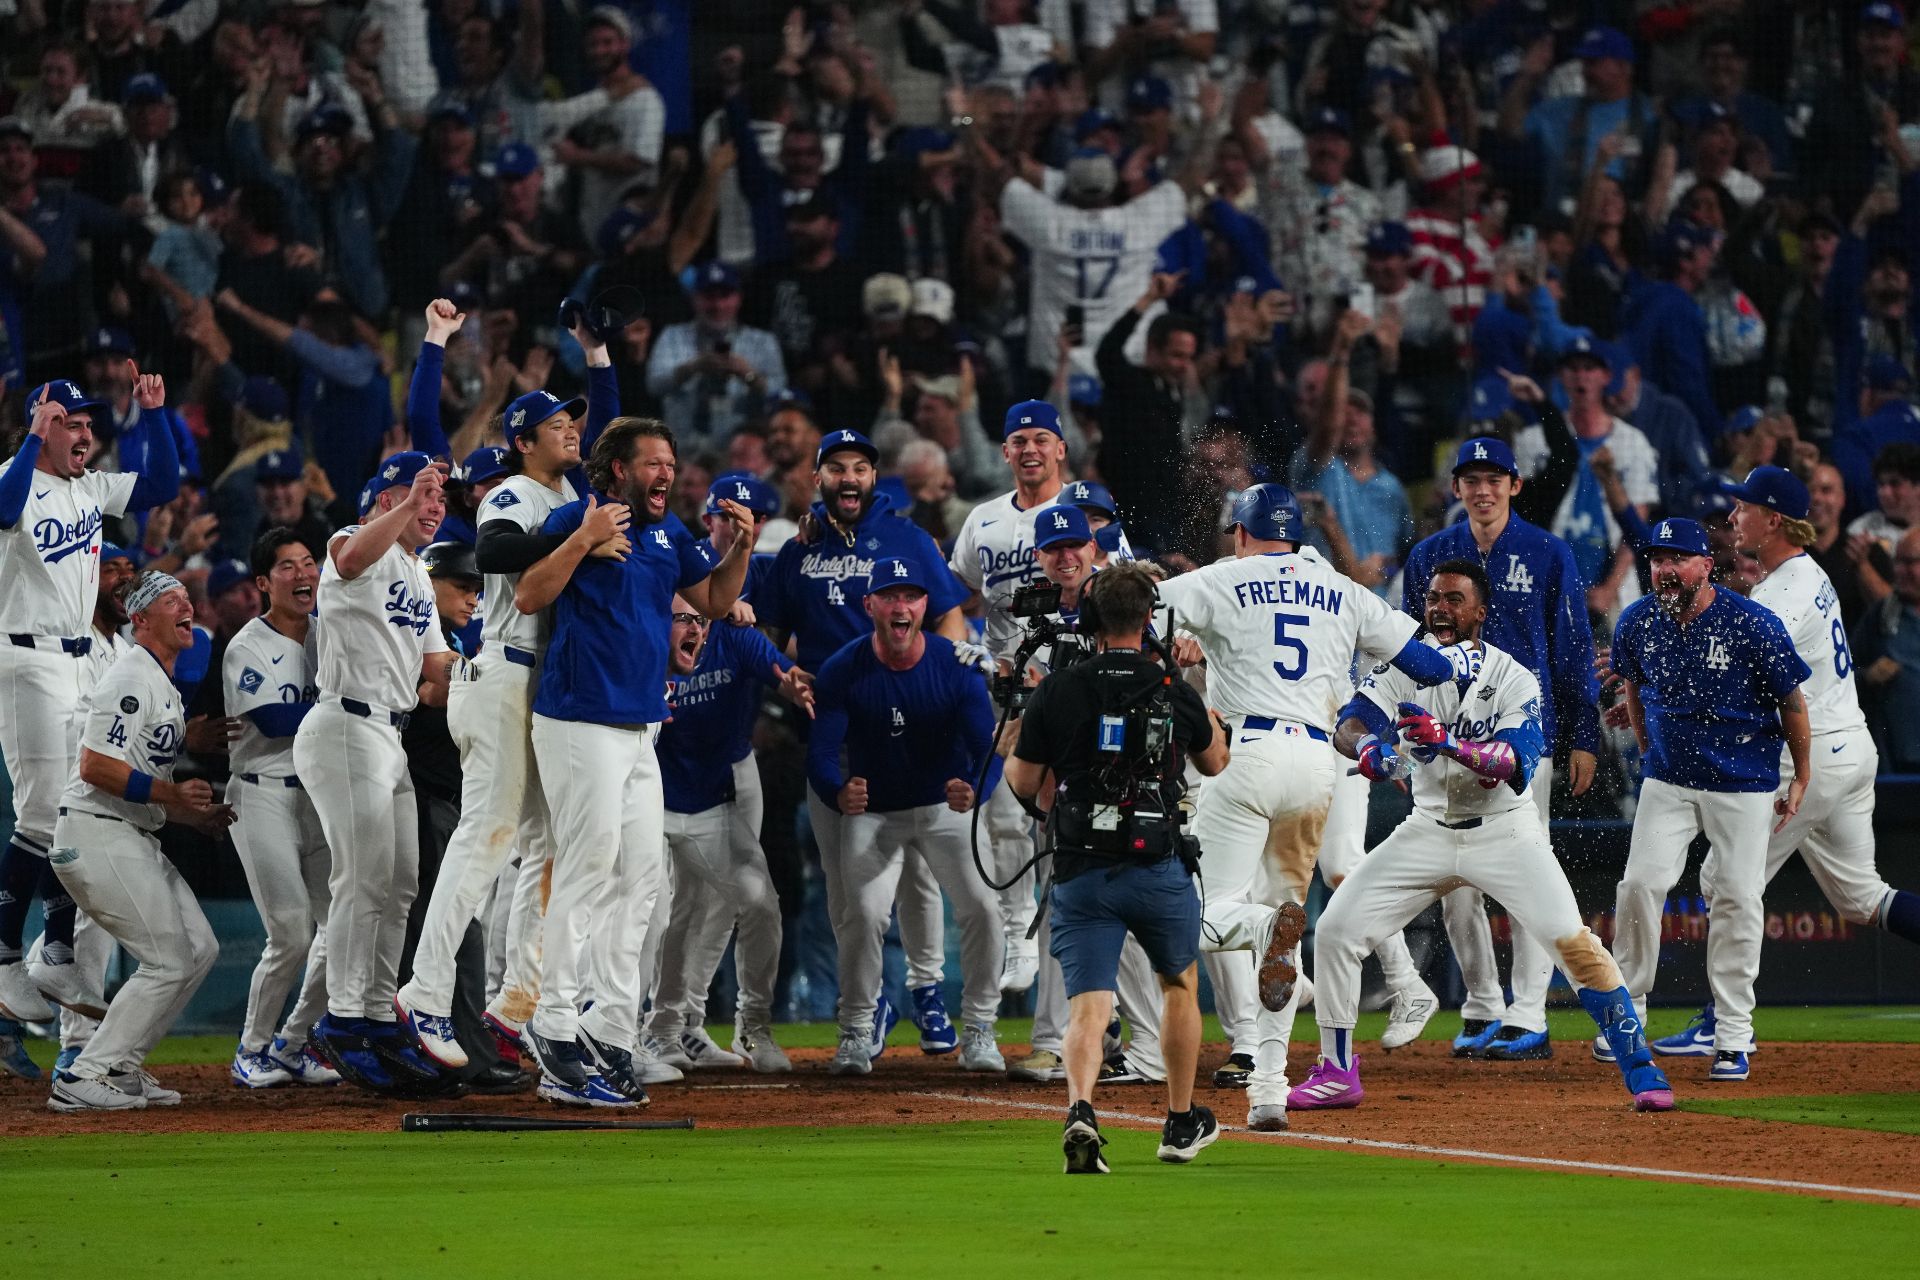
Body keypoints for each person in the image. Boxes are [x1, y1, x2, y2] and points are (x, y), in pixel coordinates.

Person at [1302, 560, 1676, 1114]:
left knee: (1572, 942)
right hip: (1427, 829)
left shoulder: (1514, 676)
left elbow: (1512, 760)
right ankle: (1337, 1072)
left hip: (1505, 831)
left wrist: (1449, 744)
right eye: (1433, 598)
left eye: (1454, 600)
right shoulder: (1404, 665)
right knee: (1335, 931)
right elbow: (1350, 721)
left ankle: (1640, 1067)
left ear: (1480, 612)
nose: (1440, 608)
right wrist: (1367, 748)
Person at [1154, 483, 1465, 1130]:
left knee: (1201, 915)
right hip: (1317, 762)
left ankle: (1267, 937)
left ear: (1242, 533)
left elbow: (1131, 617)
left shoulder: (1221, 577)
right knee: (1283, 918)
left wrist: (1175, 637)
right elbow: (1432, 666)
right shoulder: (1341, 588)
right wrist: (1371, 703)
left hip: (1246, 754)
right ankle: (1269, 1091)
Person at [394, 300, 617, 1076]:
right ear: (523, 441)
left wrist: (597, 356)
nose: (571, 430)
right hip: (503, 675)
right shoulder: (515, 493)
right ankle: (425, 992)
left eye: (571, 421)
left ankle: (516, 1004)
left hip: (541, 685)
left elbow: (609, 436)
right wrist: (575, 537)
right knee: (486, 835)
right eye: (556, 424)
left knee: (548, 846)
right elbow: (492, 551)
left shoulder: (566, 493)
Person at [514, 417, 752, 1107]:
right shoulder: (578, 516)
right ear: (619, 469)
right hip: (580, 718)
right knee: (586, 870)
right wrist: (582, 541)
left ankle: (610, 1028)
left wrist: (738, 547)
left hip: (640, 726)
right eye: (654, 462)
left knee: (644, 882)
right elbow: (529, 594)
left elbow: (714, 601)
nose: (667, 473)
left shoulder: (669, 530)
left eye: (671, 462)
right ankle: (553, 1025)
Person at [1651, 470, 1920, 1055]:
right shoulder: (1802, 574)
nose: (1732, 518)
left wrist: (1659, 693)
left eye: (1743, 507)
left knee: (1723, 879)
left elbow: (1746, 681)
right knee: (1862, 898)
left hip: (1812, 758)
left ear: (1773, 520)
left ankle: (1723, 1026)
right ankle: (1720, 1020)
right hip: (1850, 749)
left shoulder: (1784, 593)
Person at [1006, 561, 1231, 1172]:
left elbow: (1021, 781)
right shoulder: (1171, 688)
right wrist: (1203, 709)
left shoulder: (1058, 689)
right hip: (1157, 865)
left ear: (1089, 620)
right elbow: (1215, 762)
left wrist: (1044, 784)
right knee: (1178, 986)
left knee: (1089, 1006)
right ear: (1149, 618)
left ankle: (1081, 1109)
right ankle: (1179, 1121)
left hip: (1082, 868)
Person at [757, 428, 971, 1054]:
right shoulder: (799, 550)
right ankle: (869, 999)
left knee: (919, 873)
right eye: (837, 468)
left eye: (859, 467)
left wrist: (945, 683)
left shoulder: (909, 538)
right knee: (843, 879)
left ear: (874, 477)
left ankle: (927, 989)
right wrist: (783, 674)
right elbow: (769, 635)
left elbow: (949, 615)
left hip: (911, 730)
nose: (848, 478)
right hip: (832, 733)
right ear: (818, 479)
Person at [1401, 437, 1601, 1061]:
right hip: (1443, 734)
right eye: (1471, 479)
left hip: (1522, 733)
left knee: (1525, 871)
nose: (1482, 490)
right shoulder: (1430, 555)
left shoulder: (1547, 551)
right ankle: (1482, 1003)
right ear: (1456, 488)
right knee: (1453, 877)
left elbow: (1572, 650)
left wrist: (1584, 736)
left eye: (1494, 479)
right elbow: (1407, 649)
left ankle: (1529, 1011)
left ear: (1515, 485)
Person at [1601, 518, 1811, 1084]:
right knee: (1639, 885)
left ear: (1705, 566)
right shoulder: (1637, 619)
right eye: (1657, 560)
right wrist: (1648, 750)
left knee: (1738, 897)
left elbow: (1792, 702)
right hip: (1669, 779)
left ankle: (1733, 1035)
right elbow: (1634, 687)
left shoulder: (1751, 622)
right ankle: (1628, 1013)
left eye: (1677, 559)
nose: (1665, 569)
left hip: (1744, 780)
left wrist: (1801, 775)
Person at [0, 374, 180, 1030]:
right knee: (42, 810)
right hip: (26, 654)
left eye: (86, 424)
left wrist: (154, 415)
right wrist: (30, 437)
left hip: (79, 660)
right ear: (41, 426)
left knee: (74, 805)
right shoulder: (14, 476)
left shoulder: (90, 487)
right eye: (69, 423)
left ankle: (55, 952)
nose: (84, 434)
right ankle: (5, 957)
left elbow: (162, 483)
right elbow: (3, 511)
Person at [294, 452, 456, 1096]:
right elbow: (349, 559)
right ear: (386, 500)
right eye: (423, 492)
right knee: (360, 881)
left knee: (400, 884)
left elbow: (438, 673)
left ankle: (378, 1017)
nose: (435, 504)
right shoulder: (353, 540)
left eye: (439, 496)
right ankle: (341, 1021)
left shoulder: (419, 573)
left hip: (391, 733)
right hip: (345, 723)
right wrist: (407, 502)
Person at [807, 556, 1006, 1078]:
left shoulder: (954, 665)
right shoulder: (843, 668)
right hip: (875, 811)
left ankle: (980, 1028)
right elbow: (820, 752)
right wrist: (835, 791)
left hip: (943, 805)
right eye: (890, 596)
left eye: (911, 596)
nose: (901, 606)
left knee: (985, 907)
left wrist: (977, 790)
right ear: (869, 605)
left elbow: (987, 749)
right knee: (862, 913)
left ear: (925, 606)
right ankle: (856, 1029)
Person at [44, 571, 235, 1112]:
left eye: (187, 598)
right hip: (95, 830)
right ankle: (84, 1073)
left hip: (129, 832)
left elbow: (137, 778)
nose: (187, 606)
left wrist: (191, 816)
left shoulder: (160, 682)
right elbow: (95, 767)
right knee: (168, 960)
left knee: (200, 949)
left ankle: (120, 1066)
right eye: (171, 600)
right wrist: (173, 794)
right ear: (141, 619)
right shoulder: (131, 676)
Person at [648, 598, 814, 1074]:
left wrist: (794, 683)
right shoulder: (641, 638)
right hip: (649, 801)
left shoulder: (735, 637)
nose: (694, 628)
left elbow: (782, 671)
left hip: (713, 802)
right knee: (659, 915)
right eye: (682, 617)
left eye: (701, 618)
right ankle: (646, 1031)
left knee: (758, 904)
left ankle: (751, 1024)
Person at [947, 399, 1074, 995]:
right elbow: (953, 595)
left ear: (1060, 449)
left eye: (1041, 439)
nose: (1030, 449)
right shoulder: (984, 519)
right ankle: (1019, 936)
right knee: (1003, 816)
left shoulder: (1085, 508)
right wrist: (967, 646)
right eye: (1019, 441)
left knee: (1066, 825)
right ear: (1004, 452)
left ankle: (1073, 954)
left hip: (1072, 686)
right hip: (1005, 687)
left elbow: (1123, 594)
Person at [397, 540, 526, 1095]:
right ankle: (466, 1059)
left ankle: (445, 1058)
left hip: (445, 801)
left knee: (442, 926)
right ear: (428, 584)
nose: (474, 598)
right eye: (463, 586)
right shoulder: (415, 643)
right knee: (456, 930)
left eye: (478, 588)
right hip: (426, 801)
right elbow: (433, 689)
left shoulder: (448, 643)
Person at [222, 528, 339, 1089]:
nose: (302, 574)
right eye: (287, 567)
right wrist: (347, 706)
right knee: (291, 931)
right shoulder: (247, 645)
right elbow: (272, 720)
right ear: (265, 583)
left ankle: (293, 1043)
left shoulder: (329, 633)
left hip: (318, 794)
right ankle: (251, 1049)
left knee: (341, 927)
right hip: (261, 791)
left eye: (308, 562)